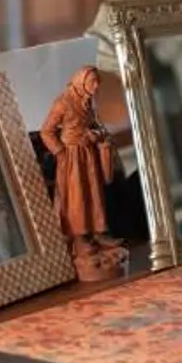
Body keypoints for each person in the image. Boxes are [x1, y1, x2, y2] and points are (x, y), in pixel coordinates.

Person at [40, 66, 126, 279]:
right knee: (76, 198)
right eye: (92, 82)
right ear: (81, 82)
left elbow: (94, 125)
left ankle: (98, 232)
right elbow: (46, 131)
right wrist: (60, 152)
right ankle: (80, 238)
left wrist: (95, 135)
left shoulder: (88, 103)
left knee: (94, 195)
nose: (96, 87)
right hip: (71, 158)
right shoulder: (63, 102)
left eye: (97, 82)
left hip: (88, 155)